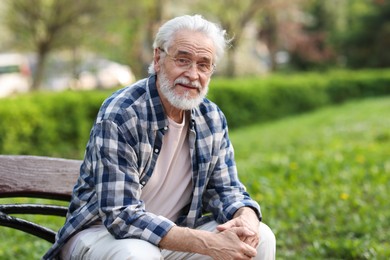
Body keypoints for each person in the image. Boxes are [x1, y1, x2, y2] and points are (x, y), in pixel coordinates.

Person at [44, 14, 275, 260]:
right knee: (138, 254)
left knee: (260, 237)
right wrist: (207, 243)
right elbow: (120, 216)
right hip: (102, 235)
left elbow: (226, 189)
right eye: (183, 60)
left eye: (203, 64)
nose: (193, 74)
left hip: (171, 238)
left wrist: (246, 216)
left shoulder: (212, 118)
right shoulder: (122, 114)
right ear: (158, 58)